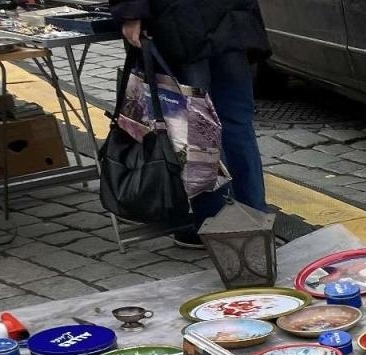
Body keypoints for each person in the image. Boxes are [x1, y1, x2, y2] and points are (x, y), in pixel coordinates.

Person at [111, 0, 269, 246]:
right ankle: (254, 216)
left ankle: (219, 225)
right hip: (229, 16)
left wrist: (131, 13)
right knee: (235, 122)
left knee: (196, 128)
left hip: (181, 20)